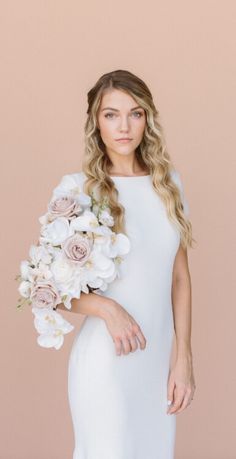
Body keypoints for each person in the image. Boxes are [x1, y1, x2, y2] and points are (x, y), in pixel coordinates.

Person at [53, 69, 196, 459]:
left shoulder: (169, 186)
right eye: (111, 114)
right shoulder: (77, 191)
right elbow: (50, 290)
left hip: (155, 365)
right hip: (105, 363)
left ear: (147, 119)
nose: (124, 127)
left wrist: (183, 357)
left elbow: (179, 279)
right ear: (95, 122)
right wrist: (106, 308)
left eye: (135, 114)